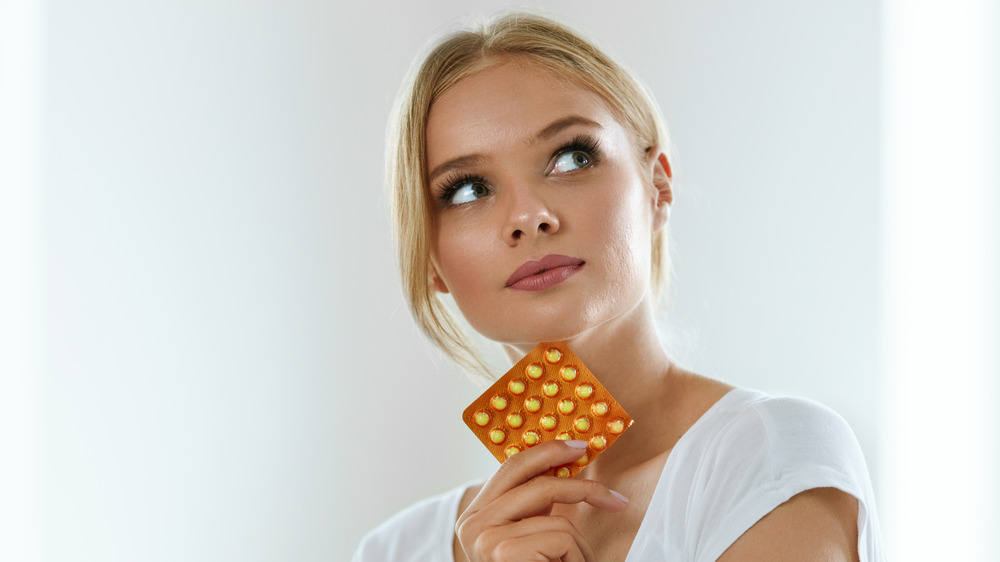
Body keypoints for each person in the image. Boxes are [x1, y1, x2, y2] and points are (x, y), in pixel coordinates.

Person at [355, 11, 884, 562]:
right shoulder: (394, 550)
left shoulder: (771, 454)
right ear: (430, 263)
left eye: (571, 157)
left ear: (657, 186)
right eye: (466, 189)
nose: (529, 216)